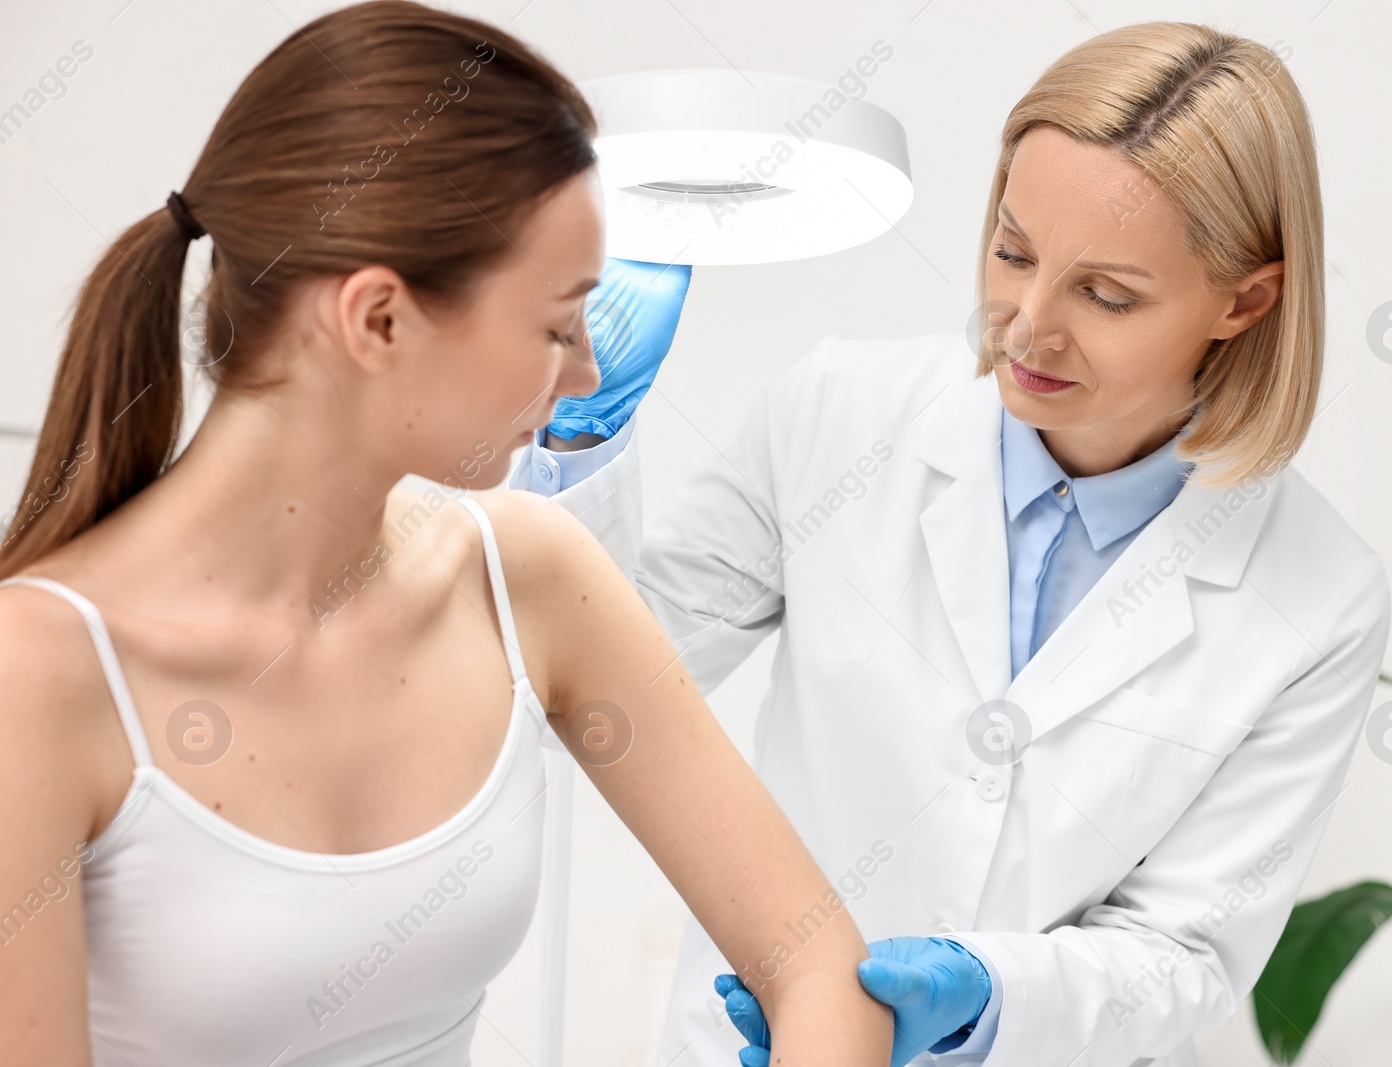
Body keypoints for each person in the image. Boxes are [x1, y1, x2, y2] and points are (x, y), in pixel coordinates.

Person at [0, 3, 892, 1065]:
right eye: (559, 323)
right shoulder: (39, 675)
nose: (586, 373)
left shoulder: (526, 573)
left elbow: (818, 964)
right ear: (378, 319)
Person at [512, 21, 1391, 1067]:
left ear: (1244, 300)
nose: (1027, 327)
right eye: (1012, 251)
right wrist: (577, 426)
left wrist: (985, 997)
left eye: (1106, 293)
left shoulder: (1319, 594)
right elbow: (597, 690)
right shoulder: (840, 410)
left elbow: (1185, 948)